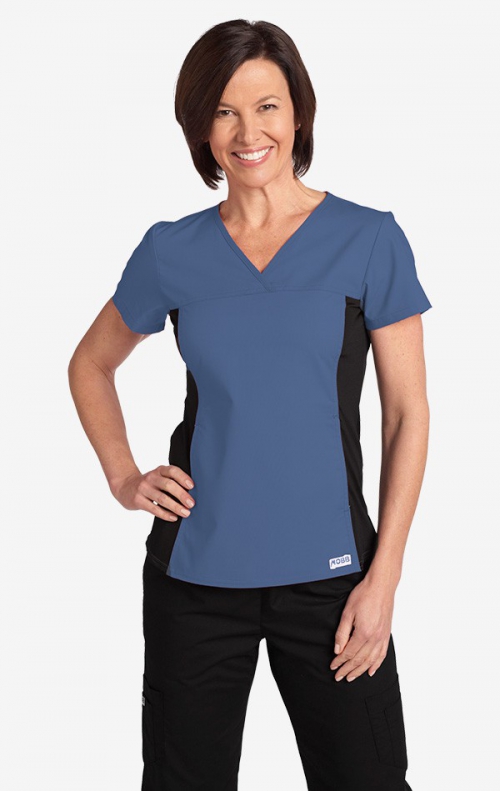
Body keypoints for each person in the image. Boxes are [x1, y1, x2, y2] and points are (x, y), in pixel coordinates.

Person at [68, 18, 431, 791]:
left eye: (267, 106)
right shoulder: (171, 250)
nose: (248, 132)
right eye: (224, 111)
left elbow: (406, 414)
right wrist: (125, 475)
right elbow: (90, 364)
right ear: (201, 127)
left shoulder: (369, 240)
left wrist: (385, 576)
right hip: (195, 576)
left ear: (298, 111)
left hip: (336, 581)